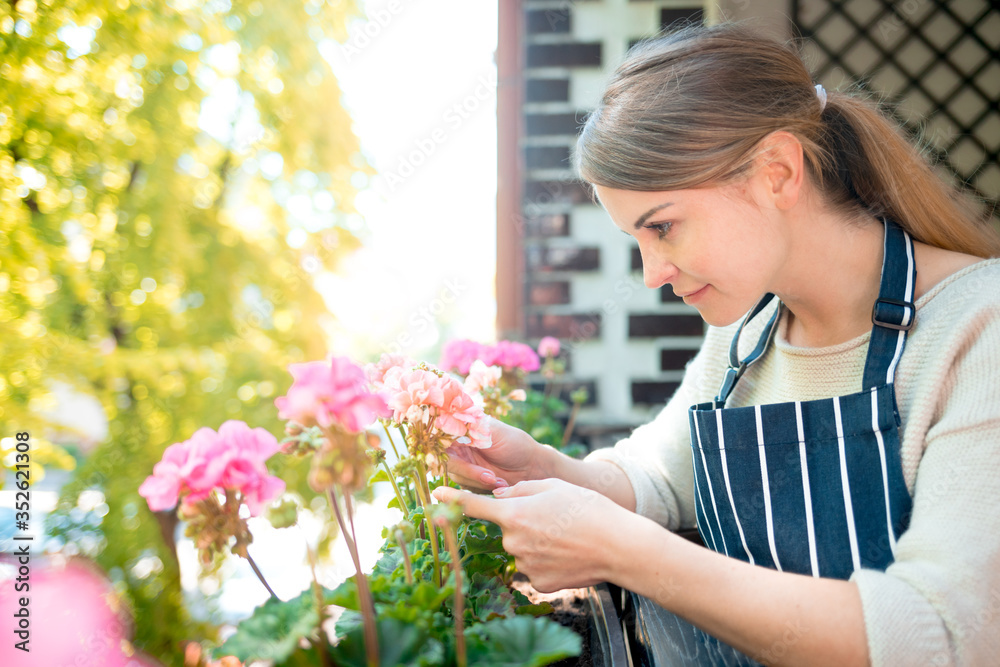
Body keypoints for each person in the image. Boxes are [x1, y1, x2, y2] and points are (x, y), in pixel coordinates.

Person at [433, 22, 1000, 666]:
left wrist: (625, 552)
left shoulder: (980, 329)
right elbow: (660, 478)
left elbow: (942, 640)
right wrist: (547, 470)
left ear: (778, 171)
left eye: (665, 227)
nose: (652, 274)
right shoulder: (749, 333)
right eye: (638, 241)